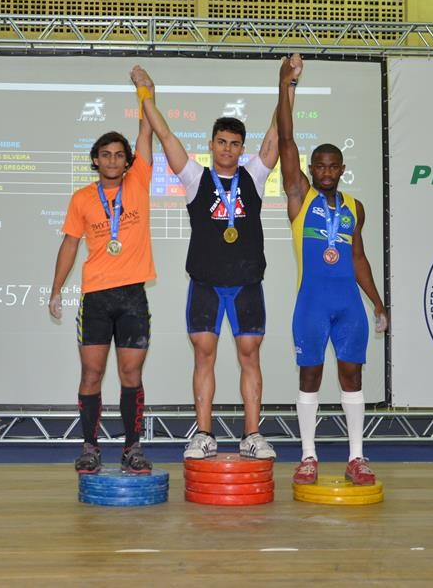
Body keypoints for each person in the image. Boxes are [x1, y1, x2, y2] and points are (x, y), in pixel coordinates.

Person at [131, 59, 299, 461]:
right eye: (221, 142)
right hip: (205, 283)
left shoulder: (255, 175)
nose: (227, 149)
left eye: (234, 143)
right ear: (211, 144)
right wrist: (146, 93)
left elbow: (280, 131)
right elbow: (165, 134)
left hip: (246, 284)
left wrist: (288, 84)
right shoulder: (194, 178)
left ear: (242, 148)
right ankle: (203, 433)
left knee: (249, 357)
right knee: (204, 355)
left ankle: (252, 434)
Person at [275, 55, 389, 486]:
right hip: (312, 304)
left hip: (348, 307)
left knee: (352, 376)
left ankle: (357, 457)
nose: (324, 171)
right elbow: (287, 140)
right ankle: (308, 457)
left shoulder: (355, 207)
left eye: (331, 166)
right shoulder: (299, 198)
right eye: (317, 166)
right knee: (310, 376)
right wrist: (285, 85)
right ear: (309, 170)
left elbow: (358, 258)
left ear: (341, 169)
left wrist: (377, 302)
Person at [48, 103, 156, 475]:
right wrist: (56, 289)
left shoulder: (139, 181)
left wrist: (146, 90)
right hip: (95, 298)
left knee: (130, 375)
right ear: (95, 160)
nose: (112, 160)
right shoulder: (82, 198)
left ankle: (132, 448)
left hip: (132, 297)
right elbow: (69, 244)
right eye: (105, 155)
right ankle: (90, 448)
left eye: (119, 155)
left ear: (128, 161)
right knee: (91, 375)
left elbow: (146, 131)